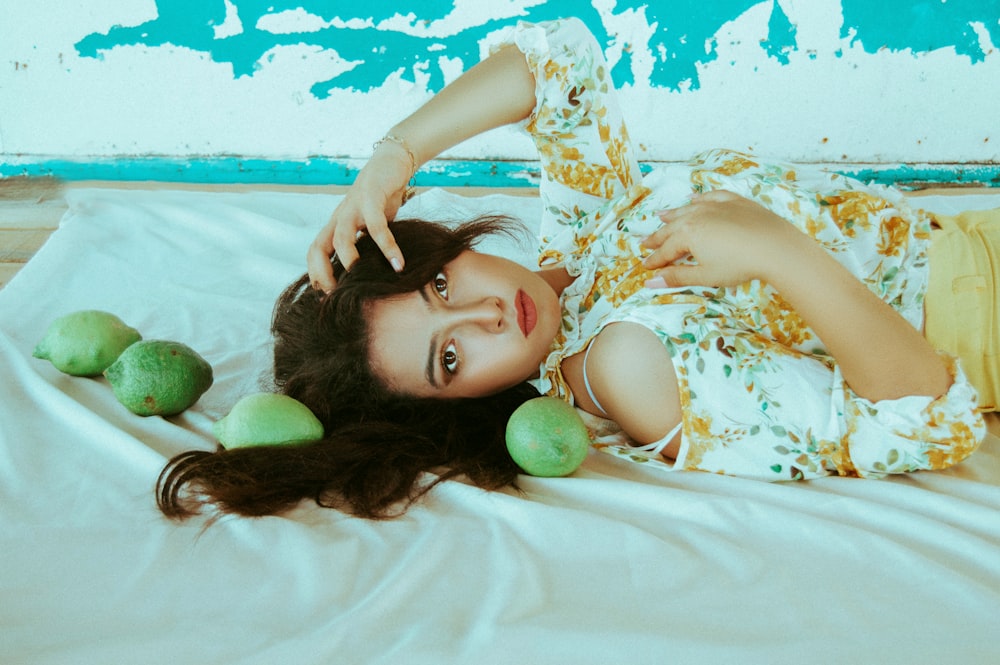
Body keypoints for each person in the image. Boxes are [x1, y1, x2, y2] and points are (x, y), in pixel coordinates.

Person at [158, 18, 989, 521]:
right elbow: (922, 417)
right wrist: (777, 250)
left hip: (968, 236)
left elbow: (558, 65)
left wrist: (395, 152)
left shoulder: (578, 259)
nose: (484, 316)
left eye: (441, 284)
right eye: (450, 359)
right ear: (463, 406)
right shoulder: (624, 366)